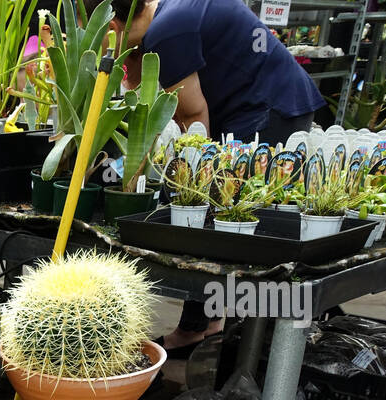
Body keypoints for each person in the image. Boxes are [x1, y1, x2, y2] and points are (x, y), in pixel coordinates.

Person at [113, 0, 325, 355]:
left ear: (115, 27)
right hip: (253, 102)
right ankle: (204, 326)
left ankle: (251, 342)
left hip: (268, 107)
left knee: (224, 214)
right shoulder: (167, 16)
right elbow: (144, 84)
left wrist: (188, 178)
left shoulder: (168, 30)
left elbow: (194, 121)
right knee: (212, 217)